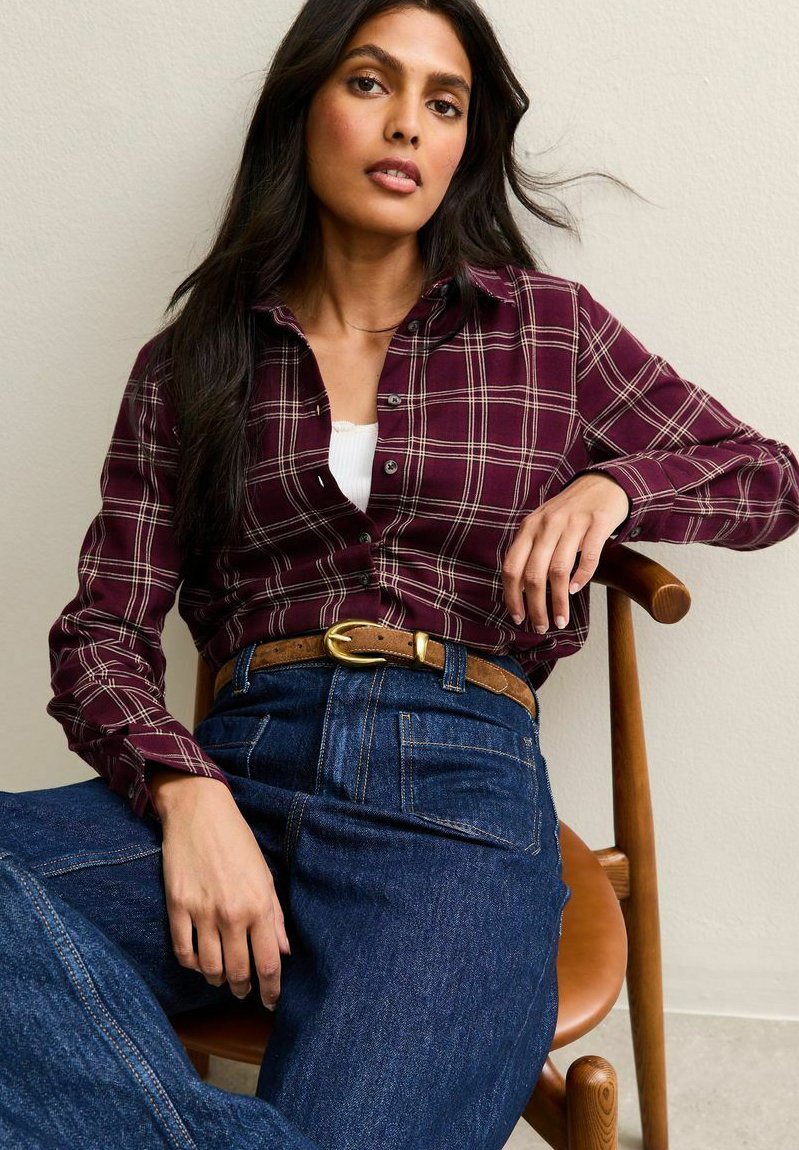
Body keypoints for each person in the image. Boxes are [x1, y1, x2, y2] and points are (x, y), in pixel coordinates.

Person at [2, 1, 798, 1147]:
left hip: (457, 792)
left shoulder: (546, 332)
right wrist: (186, 792)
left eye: (444, 102)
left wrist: (615, 487)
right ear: (305, 105)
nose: (409, 126)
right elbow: (101, 635)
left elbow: (765, 475)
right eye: (372, 84)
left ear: (466, 143)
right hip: (242, 770)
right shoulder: (193, 361)